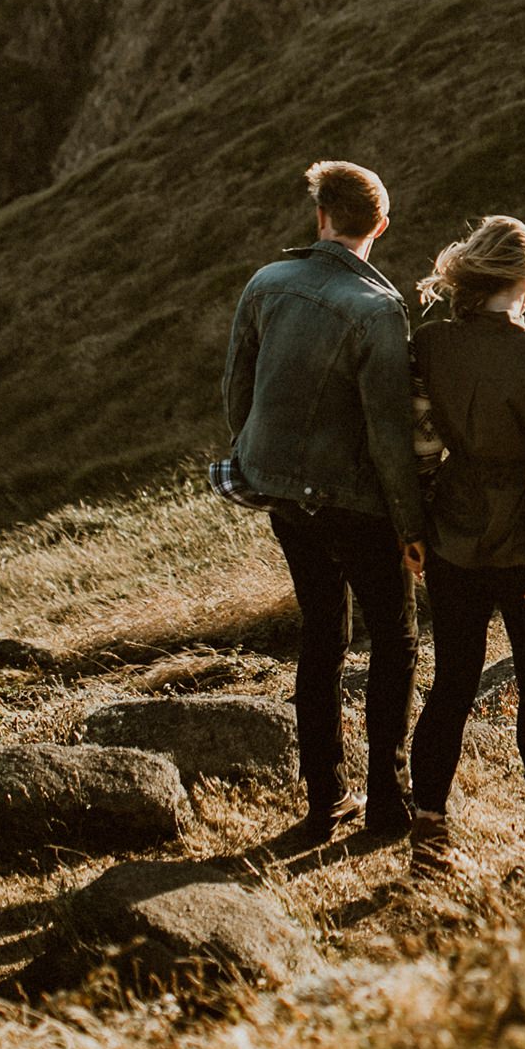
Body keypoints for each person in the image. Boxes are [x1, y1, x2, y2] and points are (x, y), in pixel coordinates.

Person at [217, 160, 424, 845]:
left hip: (278, 491)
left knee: (322, 637)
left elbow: (235, 389)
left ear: (320, 219)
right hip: (354, 503)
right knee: (393, 641)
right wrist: (411, 522)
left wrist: (257, 453)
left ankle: (323, 800)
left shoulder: (267, 282)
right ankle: (390, 806)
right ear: (381, 226)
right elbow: (390, 434)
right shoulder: (379, 309)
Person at [404, 214, 525, 870]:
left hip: (451, 533)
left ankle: (428, 828)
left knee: (450, 683)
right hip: (523, 547)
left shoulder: (429, 344)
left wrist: (415, 529)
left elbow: (422, 449)